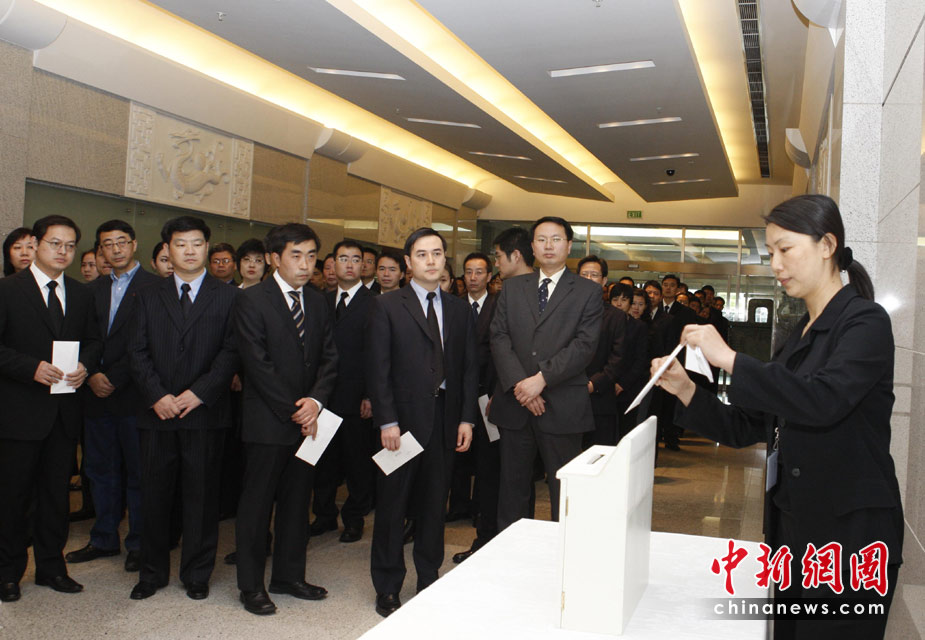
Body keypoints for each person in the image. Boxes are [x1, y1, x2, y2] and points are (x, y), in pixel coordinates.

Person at [655, 195, 903, 639]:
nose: (776, 265)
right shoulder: (799, 333)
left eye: (785, 249)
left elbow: (823, 400)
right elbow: (747, 425)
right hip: (793, 528)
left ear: (827, 245)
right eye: (771, 252)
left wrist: (729, 358)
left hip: (850, 535)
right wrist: (685, 388)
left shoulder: (865, 322)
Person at [366, 227, 477, 617]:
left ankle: (429, 578)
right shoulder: (386, 305)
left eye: (437, 253)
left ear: (445, 258)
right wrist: (387, 420)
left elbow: (469, 369)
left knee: (434, 506)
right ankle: (387, 585)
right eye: (422, 254)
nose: (431, 261)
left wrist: (467, 419)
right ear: (408, 262)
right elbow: (377, 368)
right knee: (392, 506)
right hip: (400, 424)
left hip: (445, 418)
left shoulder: (460, 310)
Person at [128, 216, 239, 602]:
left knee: (202, 498)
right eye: (180, 244)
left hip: (204, 413)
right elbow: (136, 350)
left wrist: (200, 393)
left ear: (207, 247)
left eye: (197, 243)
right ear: (167, 250)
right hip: (156, 413)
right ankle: (151, 572)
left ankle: (196, 573)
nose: (189, 251)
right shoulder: (147, 295)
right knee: (154, 497)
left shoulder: (229, 296)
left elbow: (232, 351)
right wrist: (157, 395)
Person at [232, 223, 337, 616]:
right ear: (274, 258)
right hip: (268, 420)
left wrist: (316, 402)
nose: (306, 264)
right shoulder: (251, 300)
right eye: (296, 255)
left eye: (311, 255)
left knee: (297, 502)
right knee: (257, 506)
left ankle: (289, 576)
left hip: (310, 422)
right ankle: (250, 585)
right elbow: (256, 363)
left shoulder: (318, 301)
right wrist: (296, 409)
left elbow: (330, 357)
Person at [0, 215, 101, 603]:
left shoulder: (81, 293)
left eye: (70, 245)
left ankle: (51, 568)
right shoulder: (8, 290)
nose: (63, 251)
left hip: (63, 413)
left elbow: (94, 341)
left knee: (56, 496)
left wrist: (85, 366)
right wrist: (31, 368)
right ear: (36, 244)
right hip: (18, 413)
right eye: (55, 243)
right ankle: (8, 572)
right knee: (13, 497)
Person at [489, 217, 602, 529]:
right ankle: (512, 550)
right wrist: (522, 386)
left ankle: (563, 554)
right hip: (516, 404)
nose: (548, 246)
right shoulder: (513, 288)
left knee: (563, 492)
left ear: (569, 245)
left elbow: (584, 346)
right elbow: (499, 337)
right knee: (512, 489)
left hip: (562, 405)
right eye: (541, 239)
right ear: (532, 246)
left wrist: (541, 380)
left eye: (556, 239)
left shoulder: (587, 292)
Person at [66, 220, 160, 573]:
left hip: (135, 395)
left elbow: (152, 343)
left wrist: (114, 377)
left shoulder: (156, 287)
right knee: (100, 471)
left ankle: (138, 543)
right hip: (95, 395)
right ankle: (104, 538)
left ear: (134, 244)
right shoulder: (90, 290)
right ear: (100, 249)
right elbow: (83, 338)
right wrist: (90, 374)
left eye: (122, 242)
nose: (116, 249)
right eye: (108, 244)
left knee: (138, 473)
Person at [310, 240, 376, 543]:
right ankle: (323, 515)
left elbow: (378, 353)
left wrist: (370, 395)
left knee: (356, 463)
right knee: (322, 461)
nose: (349, 265)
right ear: (333, 264)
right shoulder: (319, 301)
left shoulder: (375, 303)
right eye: (343, 259)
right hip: (322, 397)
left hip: (356, 397)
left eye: (356, 259)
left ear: (363, 265)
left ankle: (353, 518)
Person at [452, 251, 499, 563]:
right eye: (468, 271)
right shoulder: (453, 306)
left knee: (487, 462)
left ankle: (483, 520)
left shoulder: (498, 306)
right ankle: (457, 506)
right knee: (455, 456)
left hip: (488, 395)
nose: (473, 277)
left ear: (489, 276)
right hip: (456, 395)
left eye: (479, 272)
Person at [577, 255, 626, 447]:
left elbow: (618, 358)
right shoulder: (563, 311)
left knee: (599, 455)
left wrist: (592, 384)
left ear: (604, 280)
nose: (589, 279)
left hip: (600, 398)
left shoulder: (616, 317)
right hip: (566, 397)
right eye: (584, 275)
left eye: (594, 275)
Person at [609, 283, 649, 437]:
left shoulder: (639, 327)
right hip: (604, 386)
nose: (619, 304)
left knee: (626, 432)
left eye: (624, 300)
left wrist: (622, 384)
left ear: (630, 303)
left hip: (628, 387)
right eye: (615, 299)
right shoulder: (601, 323)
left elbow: (640, 360)